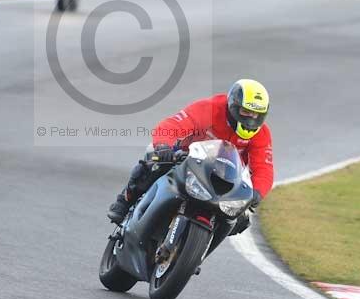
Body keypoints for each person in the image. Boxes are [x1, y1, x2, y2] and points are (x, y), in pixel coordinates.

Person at [108, 79, 273, 234]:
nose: (250, 119)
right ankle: (126, 199)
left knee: (242, 219)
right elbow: (172, 125)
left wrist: (257, 192)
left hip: (224, 179)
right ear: (232, 105)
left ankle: (202, 247)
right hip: (187, 161)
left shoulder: (262, 134)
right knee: (154, 160)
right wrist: (164, 146)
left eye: (256, 115)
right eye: (245, 112)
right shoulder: (210, 109)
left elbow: (264, 168)